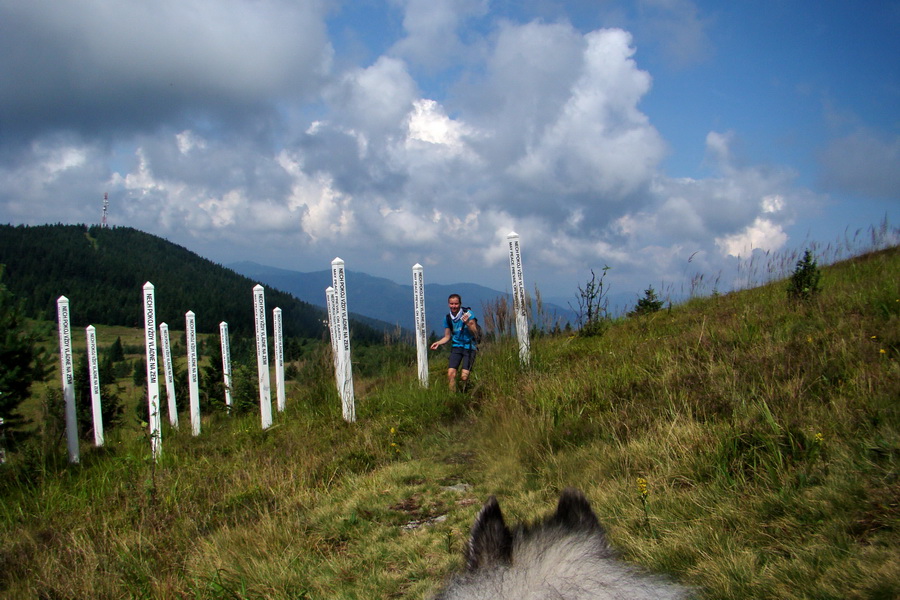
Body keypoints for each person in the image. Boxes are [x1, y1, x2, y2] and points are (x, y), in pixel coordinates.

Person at [430, 294, 479, 392]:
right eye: (451, 304)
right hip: (456, 347)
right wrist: (438, 343)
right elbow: (447, 336)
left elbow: (475, 332)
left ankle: (465, 392)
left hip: (469, 347)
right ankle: (453, 396)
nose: (454, 306)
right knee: (451, 374)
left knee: (464, 377)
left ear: (460, 304)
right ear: (448, 304)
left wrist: (467, 323)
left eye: (456, 304)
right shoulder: (448, 318)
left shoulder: (468, 314)